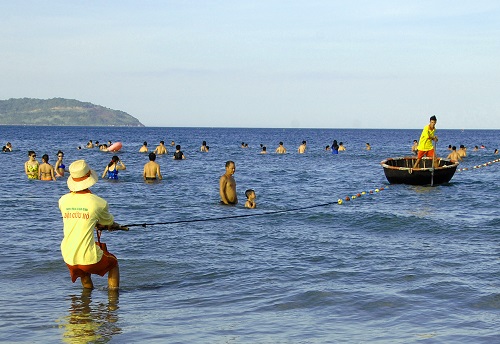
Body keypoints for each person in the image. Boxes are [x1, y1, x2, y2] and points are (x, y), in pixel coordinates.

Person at [59, 159, 122, 290]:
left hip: (68, 254)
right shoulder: (98, 202)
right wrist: (112, 225)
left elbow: (80, 220)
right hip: (88, 256)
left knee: (84, 274)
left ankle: (85, 303)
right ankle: (113, 303)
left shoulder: (63, 200)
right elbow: (108, 222)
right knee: (114, 264)